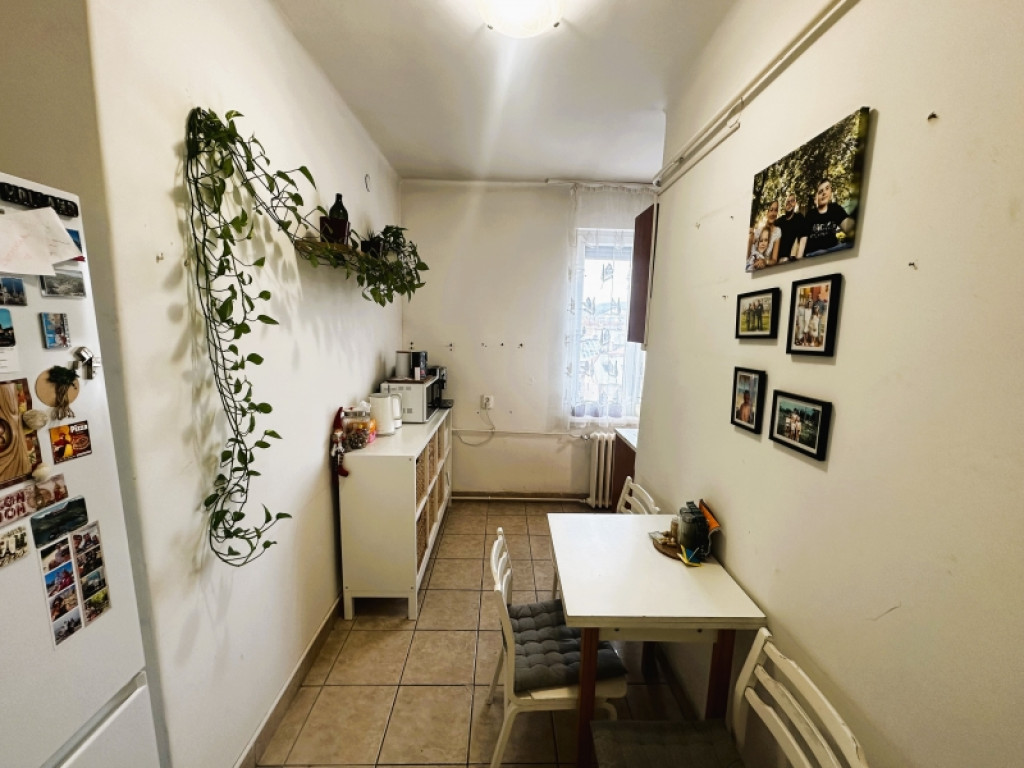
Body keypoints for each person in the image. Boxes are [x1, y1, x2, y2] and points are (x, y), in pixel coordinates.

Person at [805, 179, 854, 256]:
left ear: (830, 192)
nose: (824, 192)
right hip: (814, 253)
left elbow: (849, 226)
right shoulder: (810, 214)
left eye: (827, 188)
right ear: (816, 198)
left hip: (832, 250)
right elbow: (803, 238)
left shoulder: (835, 209)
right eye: (820, 191)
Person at [747, 199, 781, 270]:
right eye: (771, 210)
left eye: (775, 210)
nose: (773, 213)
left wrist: (765, 261)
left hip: (764, 269)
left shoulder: (777, 231)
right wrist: (750, 236)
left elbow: (774, 260)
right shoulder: (758, 231)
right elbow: (749, 251)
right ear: (766, 212)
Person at [775, 192, 807, 262]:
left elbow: (803, 238)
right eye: (787, 201)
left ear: (795, 204)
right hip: (778, 260)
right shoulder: (779, 221)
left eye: (792, 201)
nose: (789, 203)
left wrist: (799, 259)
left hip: (792, 260)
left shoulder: (799, 218)